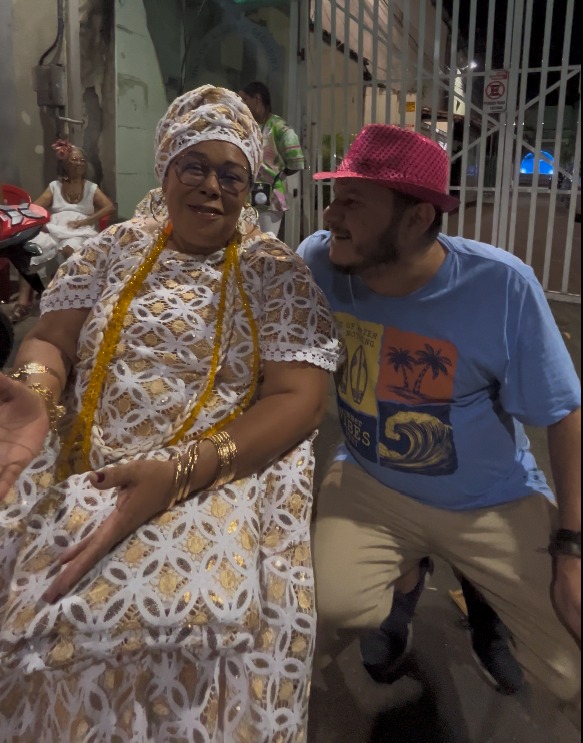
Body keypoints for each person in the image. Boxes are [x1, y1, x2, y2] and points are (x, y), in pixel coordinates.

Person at [0, 84, 341, 741]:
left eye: (231, 174)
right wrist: (37, 391)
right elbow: (52, 339)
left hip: (212, 475)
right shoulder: (111, 249)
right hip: (87, 462)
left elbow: (299, 397)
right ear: (165, 170)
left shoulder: (274, 271)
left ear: (248, 187)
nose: (212, 186)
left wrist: (180, 471)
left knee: (182, 618)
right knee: (35, 601)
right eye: (195, 166)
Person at [297, 124, 581, 707]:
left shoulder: (500, 286)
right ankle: (407, 581)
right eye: (335, 196)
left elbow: (563, 412)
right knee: (331, 603)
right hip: (371, 481)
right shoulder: (319, 262)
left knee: (566, 672)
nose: (331, 215)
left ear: (417, 218)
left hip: (490, 499)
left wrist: (572, 550)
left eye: (354, 201)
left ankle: (484, 599)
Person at [8, 142, 114, 324]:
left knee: (71, 251)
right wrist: (39, 220)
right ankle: (23, 303)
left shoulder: (91, 187)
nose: (79, 163)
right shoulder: (55, 186)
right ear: (65, 163)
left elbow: (109, 207)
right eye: (74, 159)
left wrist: (88, 220)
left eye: (82, 160)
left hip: (79, 230)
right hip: (54, 228)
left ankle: (71, 302)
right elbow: (35, 207)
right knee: (30, 252)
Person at [239, 81, 305, 238]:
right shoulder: (246, 126)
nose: (241, 104)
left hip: (270, 198)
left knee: (265, 240)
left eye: (245, 99)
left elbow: (296, 162)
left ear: (257, 99)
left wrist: (274, 175)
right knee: (244, 241)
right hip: (245, 196)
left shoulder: (280, 127)